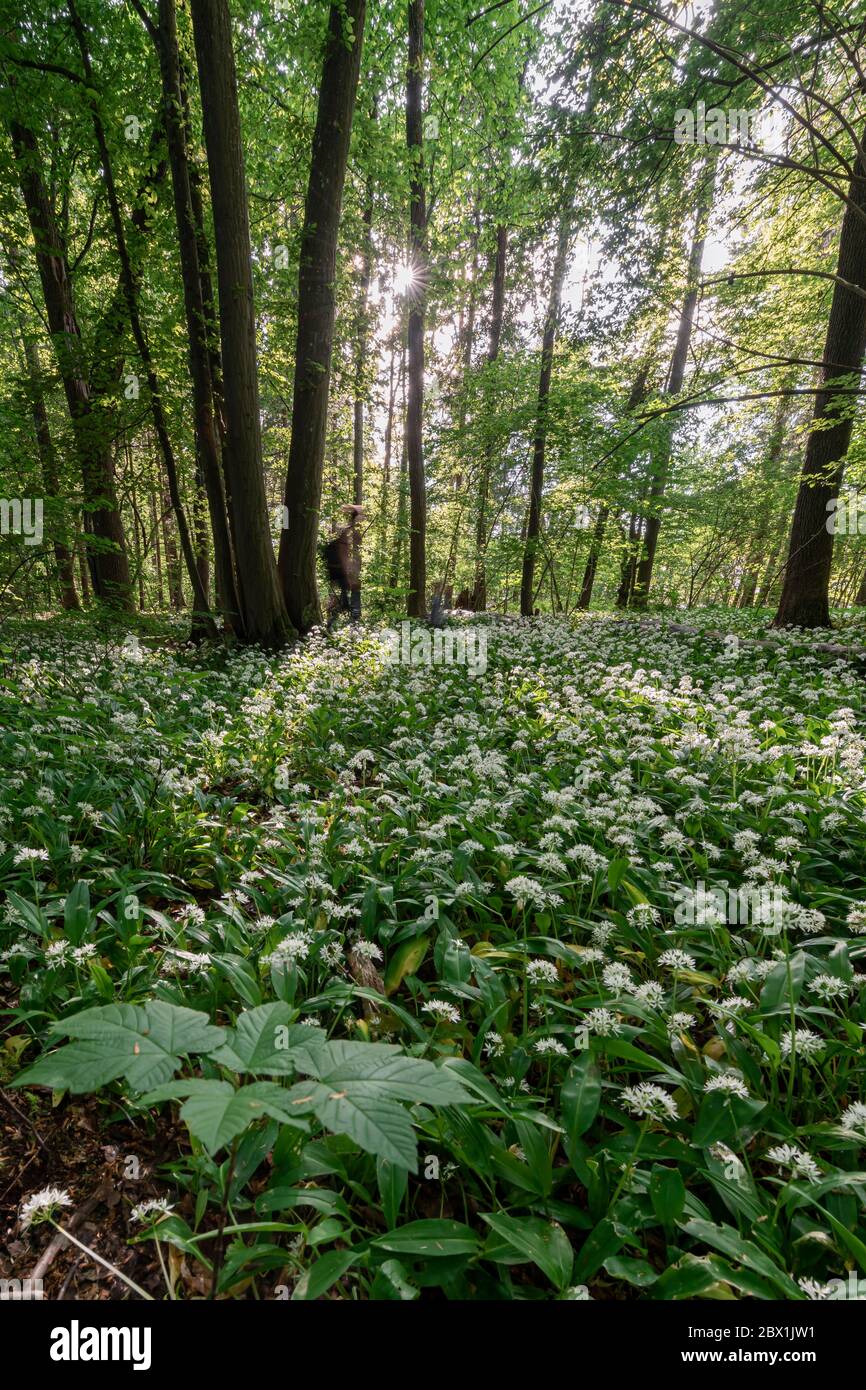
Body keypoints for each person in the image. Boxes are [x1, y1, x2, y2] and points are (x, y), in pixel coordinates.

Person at [322, 504, 364, 629]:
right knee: (351, 593)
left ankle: (334, 622)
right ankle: (354, 625)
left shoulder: (342, 531)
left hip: (334, 571)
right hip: (339, 572)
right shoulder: (344, 535)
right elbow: (343, 554)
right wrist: (349, 576)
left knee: (341, 599)